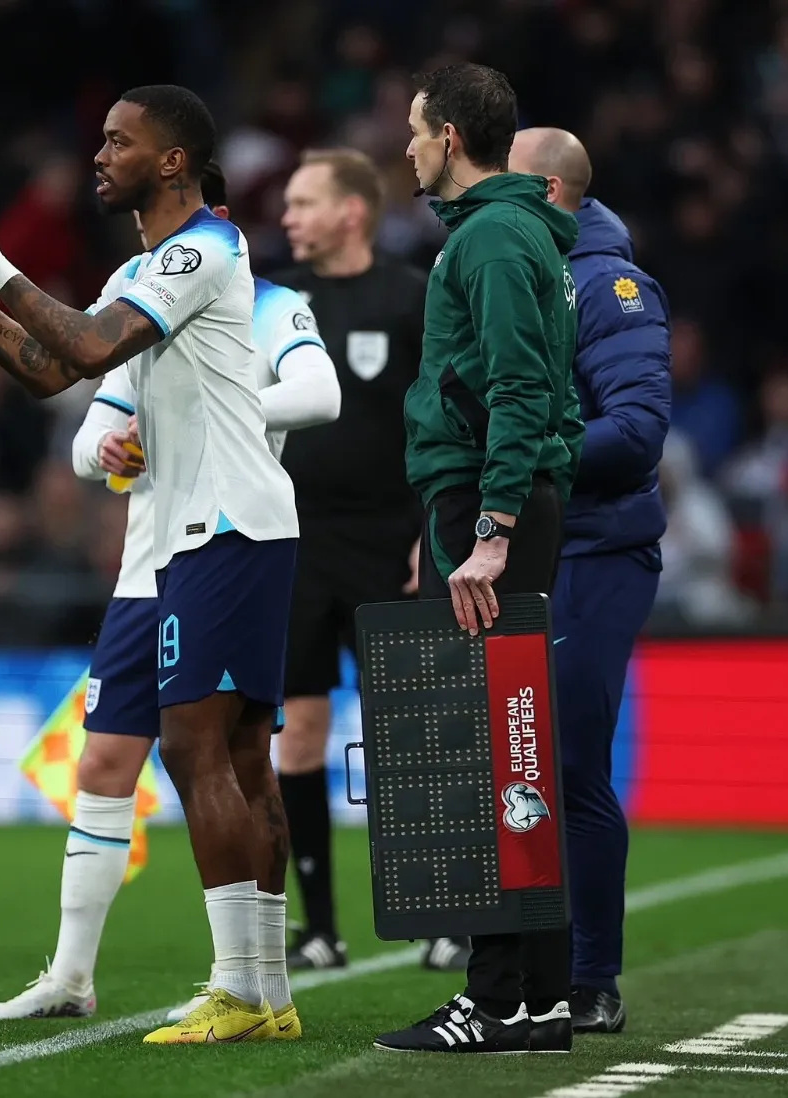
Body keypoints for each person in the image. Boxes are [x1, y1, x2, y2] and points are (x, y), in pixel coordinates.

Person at [0, 84, 302, 1045]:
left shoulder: (202, 250)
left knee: (198, 751)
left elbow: (92, 343)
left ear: (173, 161)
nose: (98, 156)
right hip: (196, 536)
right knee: (232, 758)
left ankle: (238, 986)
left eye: (119, 141)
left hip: (228, 527)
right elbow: (50, 365)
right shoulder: (150, 264)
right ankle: (265, 994)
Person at [373, 63, 584, 1055]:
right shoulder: (507, 235)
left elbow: (517, 389)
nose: (405, 147)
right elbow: (529, 395)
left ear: (450, 137)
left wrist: (489, 531)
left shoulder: (492, 240)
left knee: (493, 758)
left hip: (487, 509)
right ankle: (539, 996)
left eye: (414, 131)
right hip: (482, 507)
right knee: (518, 754)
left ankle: (497, 999)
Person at [509, 127, 671, 1034]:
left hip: (596, 550)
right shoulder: (519, 273)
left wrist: (525, 458)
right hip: (524, 548)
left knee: (567, 763)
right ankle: (520, 966)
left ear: (547, 191)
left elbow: (640, 429)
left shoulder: (610, 286)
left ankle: (591, 976)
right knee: (513, 766)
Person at [269, 147, 438, 972]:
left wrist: (427, 534)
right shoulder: (268, 300)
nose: (288, 216)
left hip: (388, 543)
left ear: (352, 212)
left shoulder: (411, 298)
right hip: (290, 544)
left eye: (304, 203)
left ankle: (444, 918)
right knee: (297, 733)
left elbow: (441, 426)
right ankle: (320, 929)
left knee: (407, 735)